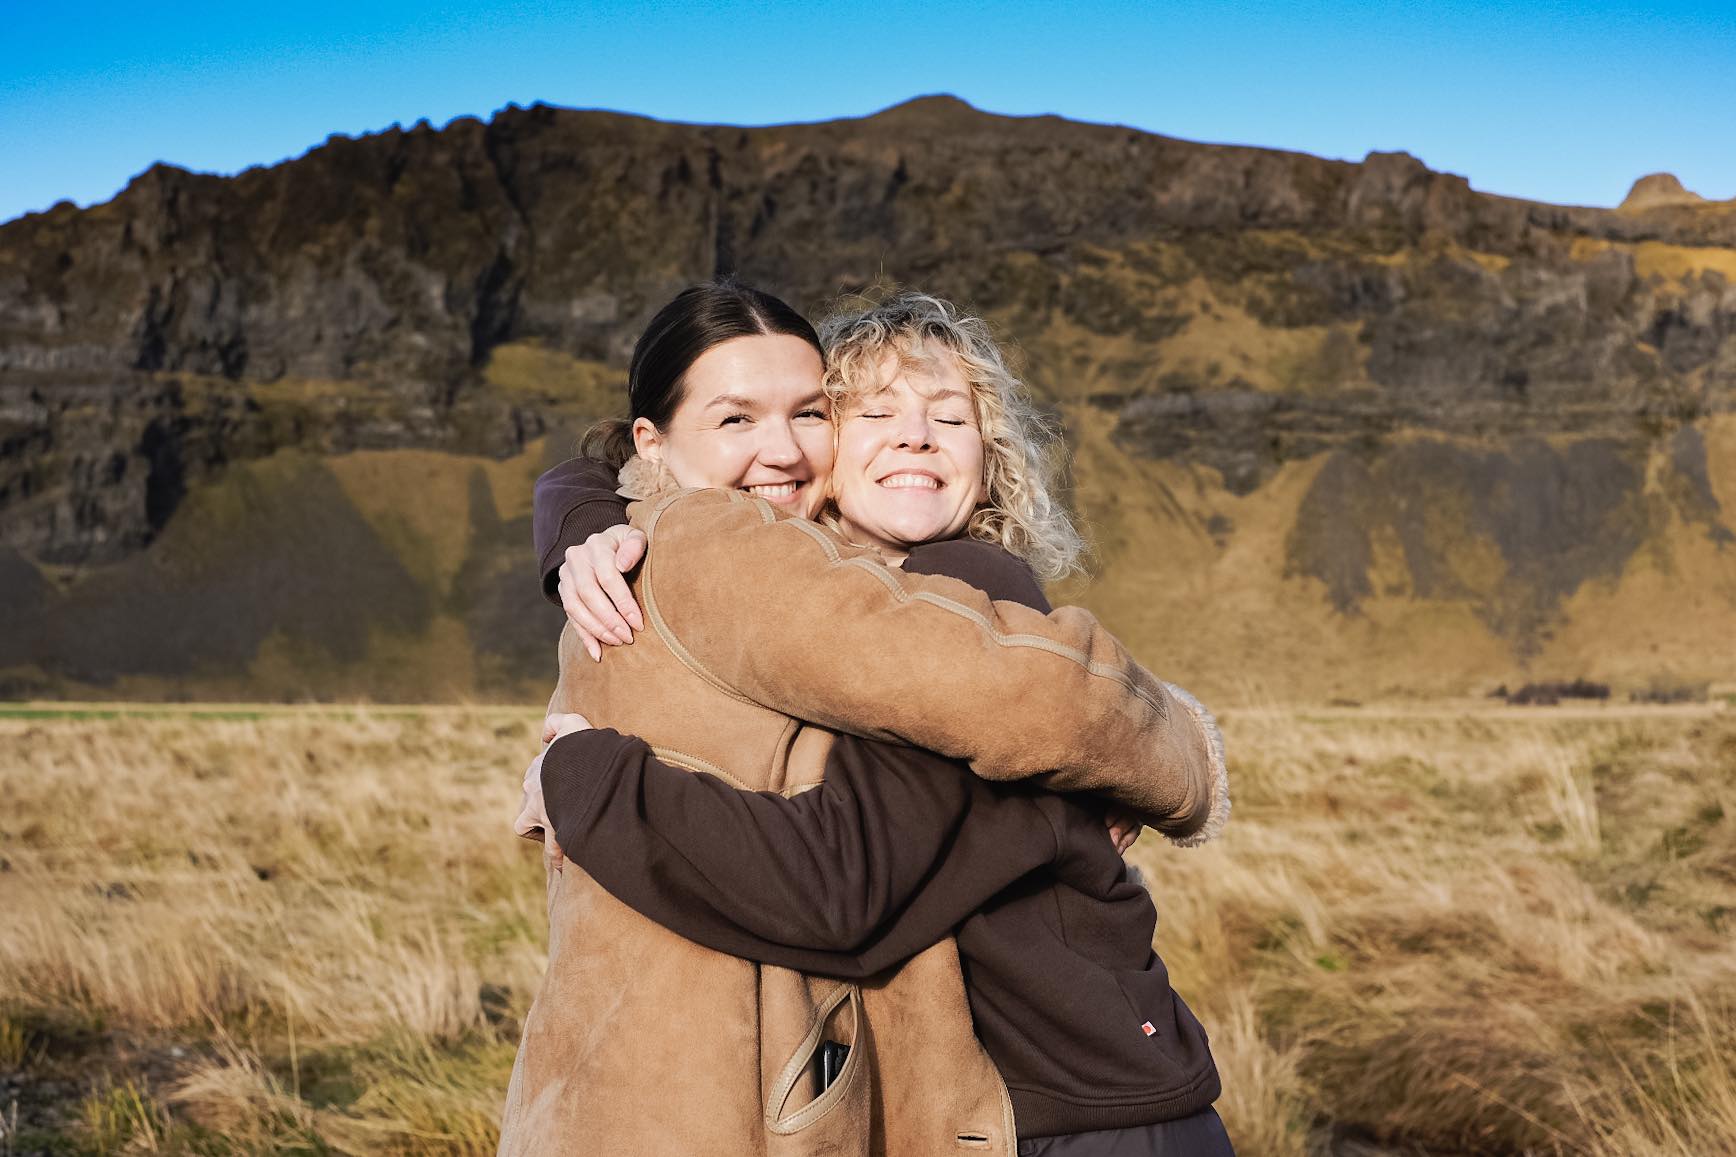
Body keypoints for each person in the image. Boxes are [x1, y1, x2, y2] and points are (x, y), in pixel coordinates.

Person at [499, 282, 1225, 1157]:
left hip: (1094, 1110)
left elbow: (842, 887)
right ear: (838, 444)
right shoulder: (838, 604)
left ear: (990, 456)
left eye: (950, 418)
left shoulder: (966, 590)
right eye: (875, 411)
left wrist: (581, 776)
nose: (916, 435)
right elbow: (626, 464)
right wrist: (582, 512)